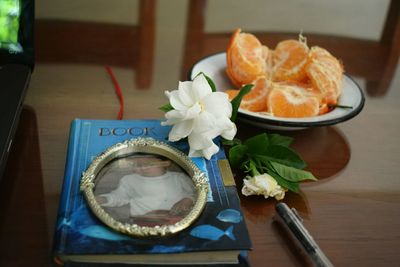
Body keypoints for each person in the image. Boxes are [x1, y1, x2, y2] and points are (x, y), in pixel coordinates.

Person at [96, 154, 196, 225]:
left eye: (148, 164)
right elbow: (119, 196)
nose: (141, 168)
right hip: (143, 220)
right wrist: (104, 199)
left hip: (175, 219)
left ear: (165, 163)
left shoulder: (178, 178)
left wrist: (187, 200)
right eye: (136, 165)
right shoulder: (129, 180)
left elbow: (194, 194)